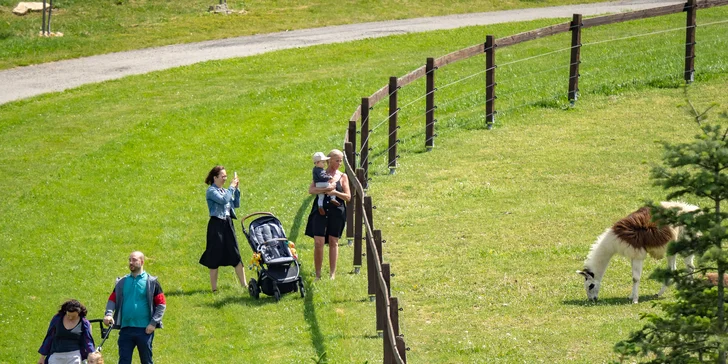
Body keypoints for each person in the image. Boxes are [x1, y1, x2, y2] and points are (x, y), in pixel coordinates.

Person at [103, 251, 166, 364]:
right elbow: (112, 299)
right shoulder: (122, 282)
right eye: (129, 260)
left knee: (146, 361)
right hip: (126, 329)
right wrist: (108, 314)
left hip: (145, 330)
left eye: (134, 260)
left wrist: (153, 323)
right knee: (123, 361)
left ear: (142, 262)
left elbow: (161, 304)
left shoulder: (151, 282)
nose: (131, 262)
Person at [199, 165, 248, 292]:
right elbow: (223, 200)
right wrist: (231, 187)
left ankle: (244, 285)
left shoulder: (224, 190)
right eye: (223, 176)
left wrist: (236, 190)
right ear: (215, 177)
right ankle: (214, 289)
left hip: (228, 224)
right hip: (216, 225)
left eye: (226, 176)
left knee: (235, 253)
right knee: (214, 256)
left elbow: (235, 204)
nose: (225, 178)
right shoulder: (211, 191)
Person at [305, 149, 351, 280]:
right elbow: (311, 190)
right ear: (329, 160)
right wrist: (326, 189)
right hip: (320, 211)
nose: (339, 163)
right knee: (318, 242)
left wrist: (335, 193)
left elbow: (348, 197)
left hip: (336, 212)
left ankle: (332, 274)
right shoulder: (320, 173)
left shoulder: (343, 177)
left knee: (333, 241)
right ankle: (318, 274)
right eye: (337, 160)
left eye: (341, 161)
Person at [38, 299, 95, 364]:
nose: (70, 318)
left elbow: (88, 340)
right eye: (68, 315)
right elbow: (49, 337)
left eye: (73, 316)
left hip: (74, 355)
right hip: (56, 354)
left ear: (78, 313)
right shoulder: (57, 319)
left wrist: (91, 354)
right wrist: (42, 357)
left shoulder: (84, 323)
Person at [312, 151, 337, 216]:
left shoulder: (314, 169)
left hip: (317, 185)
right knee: (332, 189)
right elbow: (322, 177)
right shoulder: (320, 170)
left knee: (321, 196)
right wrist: (329, 177)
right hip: (323, 183)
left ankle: (320, 206)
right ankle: (333, 198)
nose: (324, 164)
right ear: (317, 163)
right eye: (323, 162)